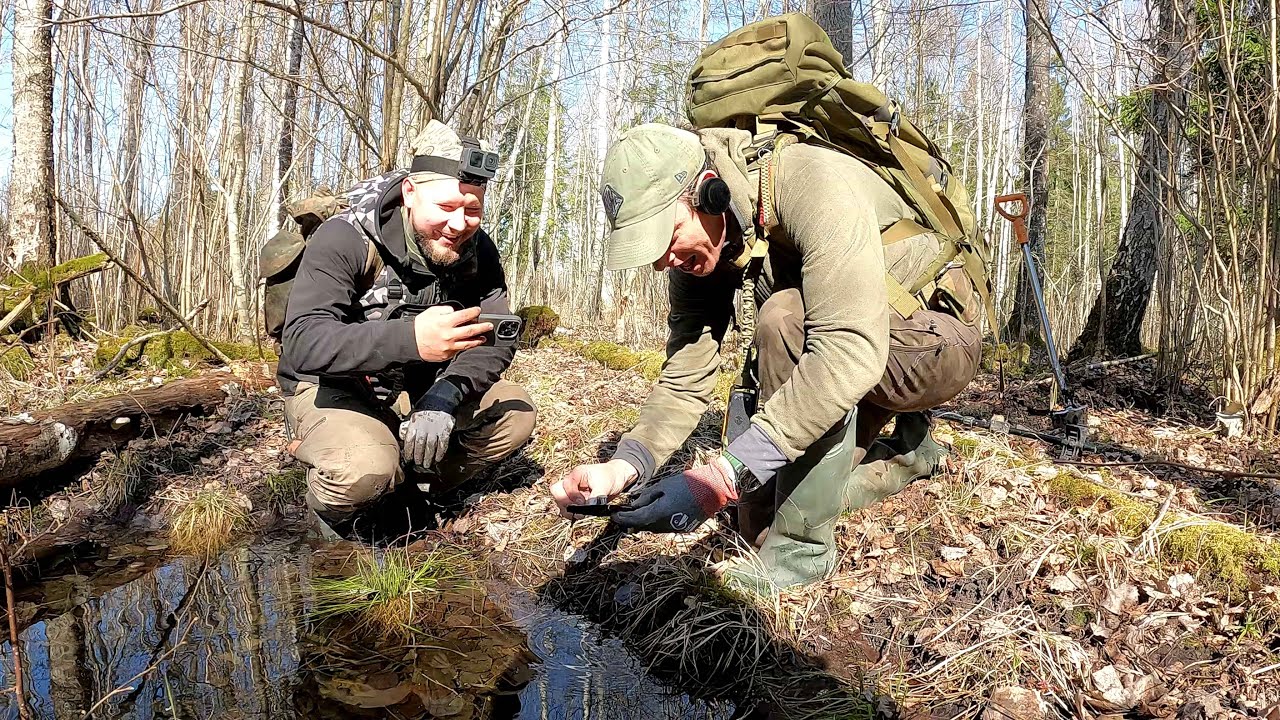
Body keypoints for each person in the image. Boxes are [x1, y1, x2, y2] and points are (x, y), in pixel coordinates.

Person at [550, 123, 983, 591]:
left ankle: (801, 554)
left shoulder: (812, 182)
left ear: (708, 191)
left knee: (783, 320)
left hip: (934, 343)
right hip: (850, 344)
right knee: (756, 516)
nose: (661, 262)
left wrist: (723, 476)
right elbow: (685, 374)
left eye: (666, 235)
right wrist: (625, 466)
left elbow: (849, 352)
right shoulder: (705, 244)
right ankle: (912, 453)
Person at [278, 121, 536, 527]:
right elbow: (302, 343)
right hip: (335, 385)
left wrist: (444, 398)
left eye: (473, 210)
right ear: (410, 192)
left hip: (419, 386)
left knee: (515, 414)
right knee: (361, 471)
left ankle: (413, 482)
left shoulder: (476, 249)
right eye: (447, 208)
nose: (459, 224)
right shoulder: (344, 238)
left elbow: (494, 336)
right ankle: (333, 508)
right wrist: (411, 340)